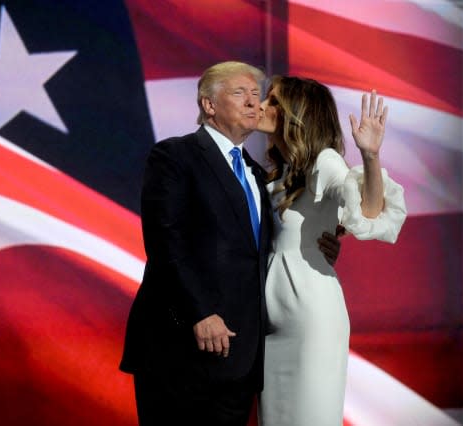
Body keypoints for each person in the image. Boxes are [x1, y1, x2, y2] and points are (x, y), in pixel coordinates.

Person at [119, 62, 341, 426]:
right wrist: (200, 313)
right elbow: (166, 241)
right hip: (180, 349)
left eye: (258, 95)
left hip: (240, 358)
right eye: (241, 93)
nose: (254, 102)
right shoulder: (176, 156)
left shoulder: (258, 174)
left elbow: (276, 236)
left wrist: (326, 241)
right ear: (209, 105)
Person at [256, 76, 407, 426]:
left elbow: (368, 210)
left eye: (275, 101)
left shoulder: (324, 162)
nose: (263, 106)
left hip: (309, 321)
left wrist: (370, 157)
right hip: (270, 325)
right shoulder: (281, 173)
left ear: (298, 114)